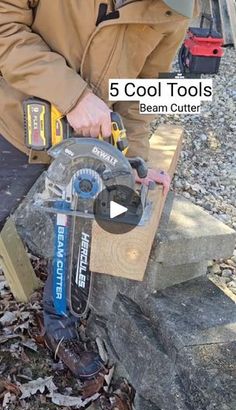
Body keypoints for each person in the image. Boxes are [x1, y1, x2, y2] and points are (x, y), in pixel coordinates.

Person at [0, 0, 199, 380]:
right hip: (11, 116)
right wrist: (72, 96)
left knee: (80, 236)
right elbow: (4, 28)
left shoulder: (176, 10)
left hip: (87, 139)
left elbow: (142, 91)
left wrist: (132, 161)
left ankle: (59, 324)